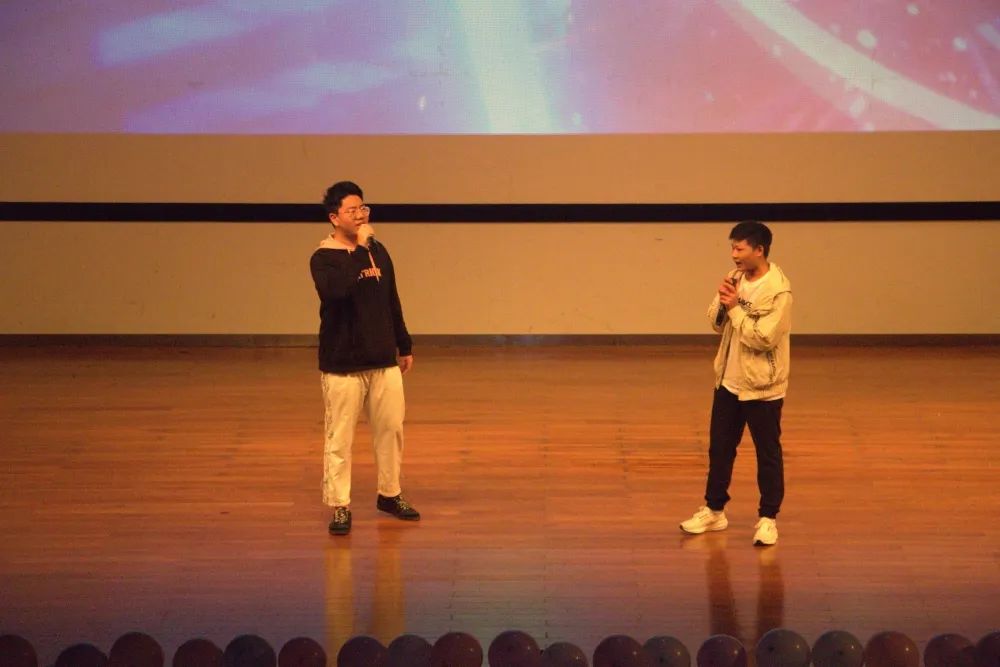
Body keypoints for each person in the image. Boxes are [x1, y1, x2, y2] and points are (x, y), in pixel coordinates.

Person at [310, 180, 419, 536]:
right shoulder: (324, 258)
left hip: (382, 359)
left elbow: (391, 298)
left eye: (363, 209)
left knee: (391, 430)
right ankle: (340, 505)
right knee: (339, 439)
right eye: (352, 210)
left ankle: (390, 494)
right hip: (343, 364)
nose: (360, 215)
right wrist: (358, 248)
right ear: (334, 217)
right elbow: (338, 291)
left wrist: (403, 344)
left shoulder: (377, 250)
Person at [680, 221, 792, 546]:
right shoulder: (735, 277)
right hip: (728, 382)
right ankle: (714, 510)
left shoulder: (778, 292)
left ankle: (768, 519)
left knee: (767, 454)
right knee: (720, 449)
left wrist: (734, 309)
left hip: (763, 387)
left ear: (759, 250)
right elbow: (716, 323)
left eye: (739, 248)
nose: (734, 255)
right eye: (732, 248)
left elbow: (764, 338)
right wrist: (722, 303)